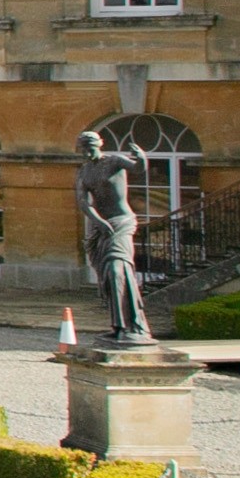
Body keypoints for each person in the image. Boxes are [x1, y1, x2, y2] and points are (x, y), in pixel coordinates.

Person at [75, 130, 155, 345]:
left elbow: (138, 169)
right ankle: (119, 326)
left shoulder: (114, 161)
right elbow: (83, 202)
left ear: (100, 144)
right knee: (108, 277)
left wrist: (141, 157)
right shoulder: (84, 171)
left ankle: (135, 326)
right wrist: (99, 222)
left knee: (116, 269)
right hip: (103, 226)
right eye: (83, 149)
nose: (87, 153)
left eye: (90, 148)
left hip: (121, 222)